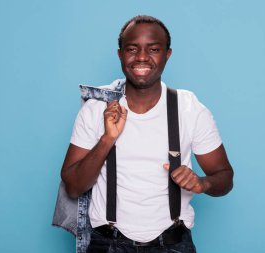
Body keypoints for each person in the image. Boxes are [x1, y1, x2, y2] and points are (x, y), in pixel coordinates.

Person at [61, 15, 234, 253]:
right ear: (120, 54)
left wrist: (202, 182)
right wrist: (107, 138)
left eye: (153, 49)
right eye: (132, 49)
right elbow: (72, 187)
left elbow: (225, 177)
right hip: (107, 243)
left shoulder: (189, 108)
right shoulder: (95, 108)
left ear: (167, 54)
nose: (142, 57)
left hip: (173, 243)